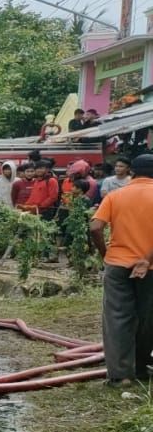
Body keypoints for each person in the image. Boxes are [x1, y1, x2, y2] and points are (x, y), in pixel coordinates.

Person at [89, 154, 153, 386]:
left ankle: (121, 375)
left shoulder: (116, 195)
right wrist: (145, 260)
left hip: (118, 264)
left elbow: (95, 227)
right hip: (150, 268)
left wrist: (105, 254)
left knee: (117, 318)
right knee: (148, 317)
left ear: (132, 172)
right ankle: (142, 368)